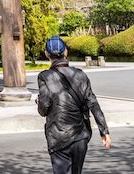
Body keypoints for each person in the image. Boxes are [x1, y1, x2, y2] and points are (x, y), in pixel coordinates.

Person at [36, 35, 110, 174]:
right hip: (80, 135)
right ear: (66, 52)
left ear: (46, 54)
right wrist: (104, 131)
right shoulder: (80, 75)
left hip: (58, 136)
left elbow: (44, 109)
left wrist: (39, 102)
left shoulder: (45, 77)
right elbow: (93, 103)